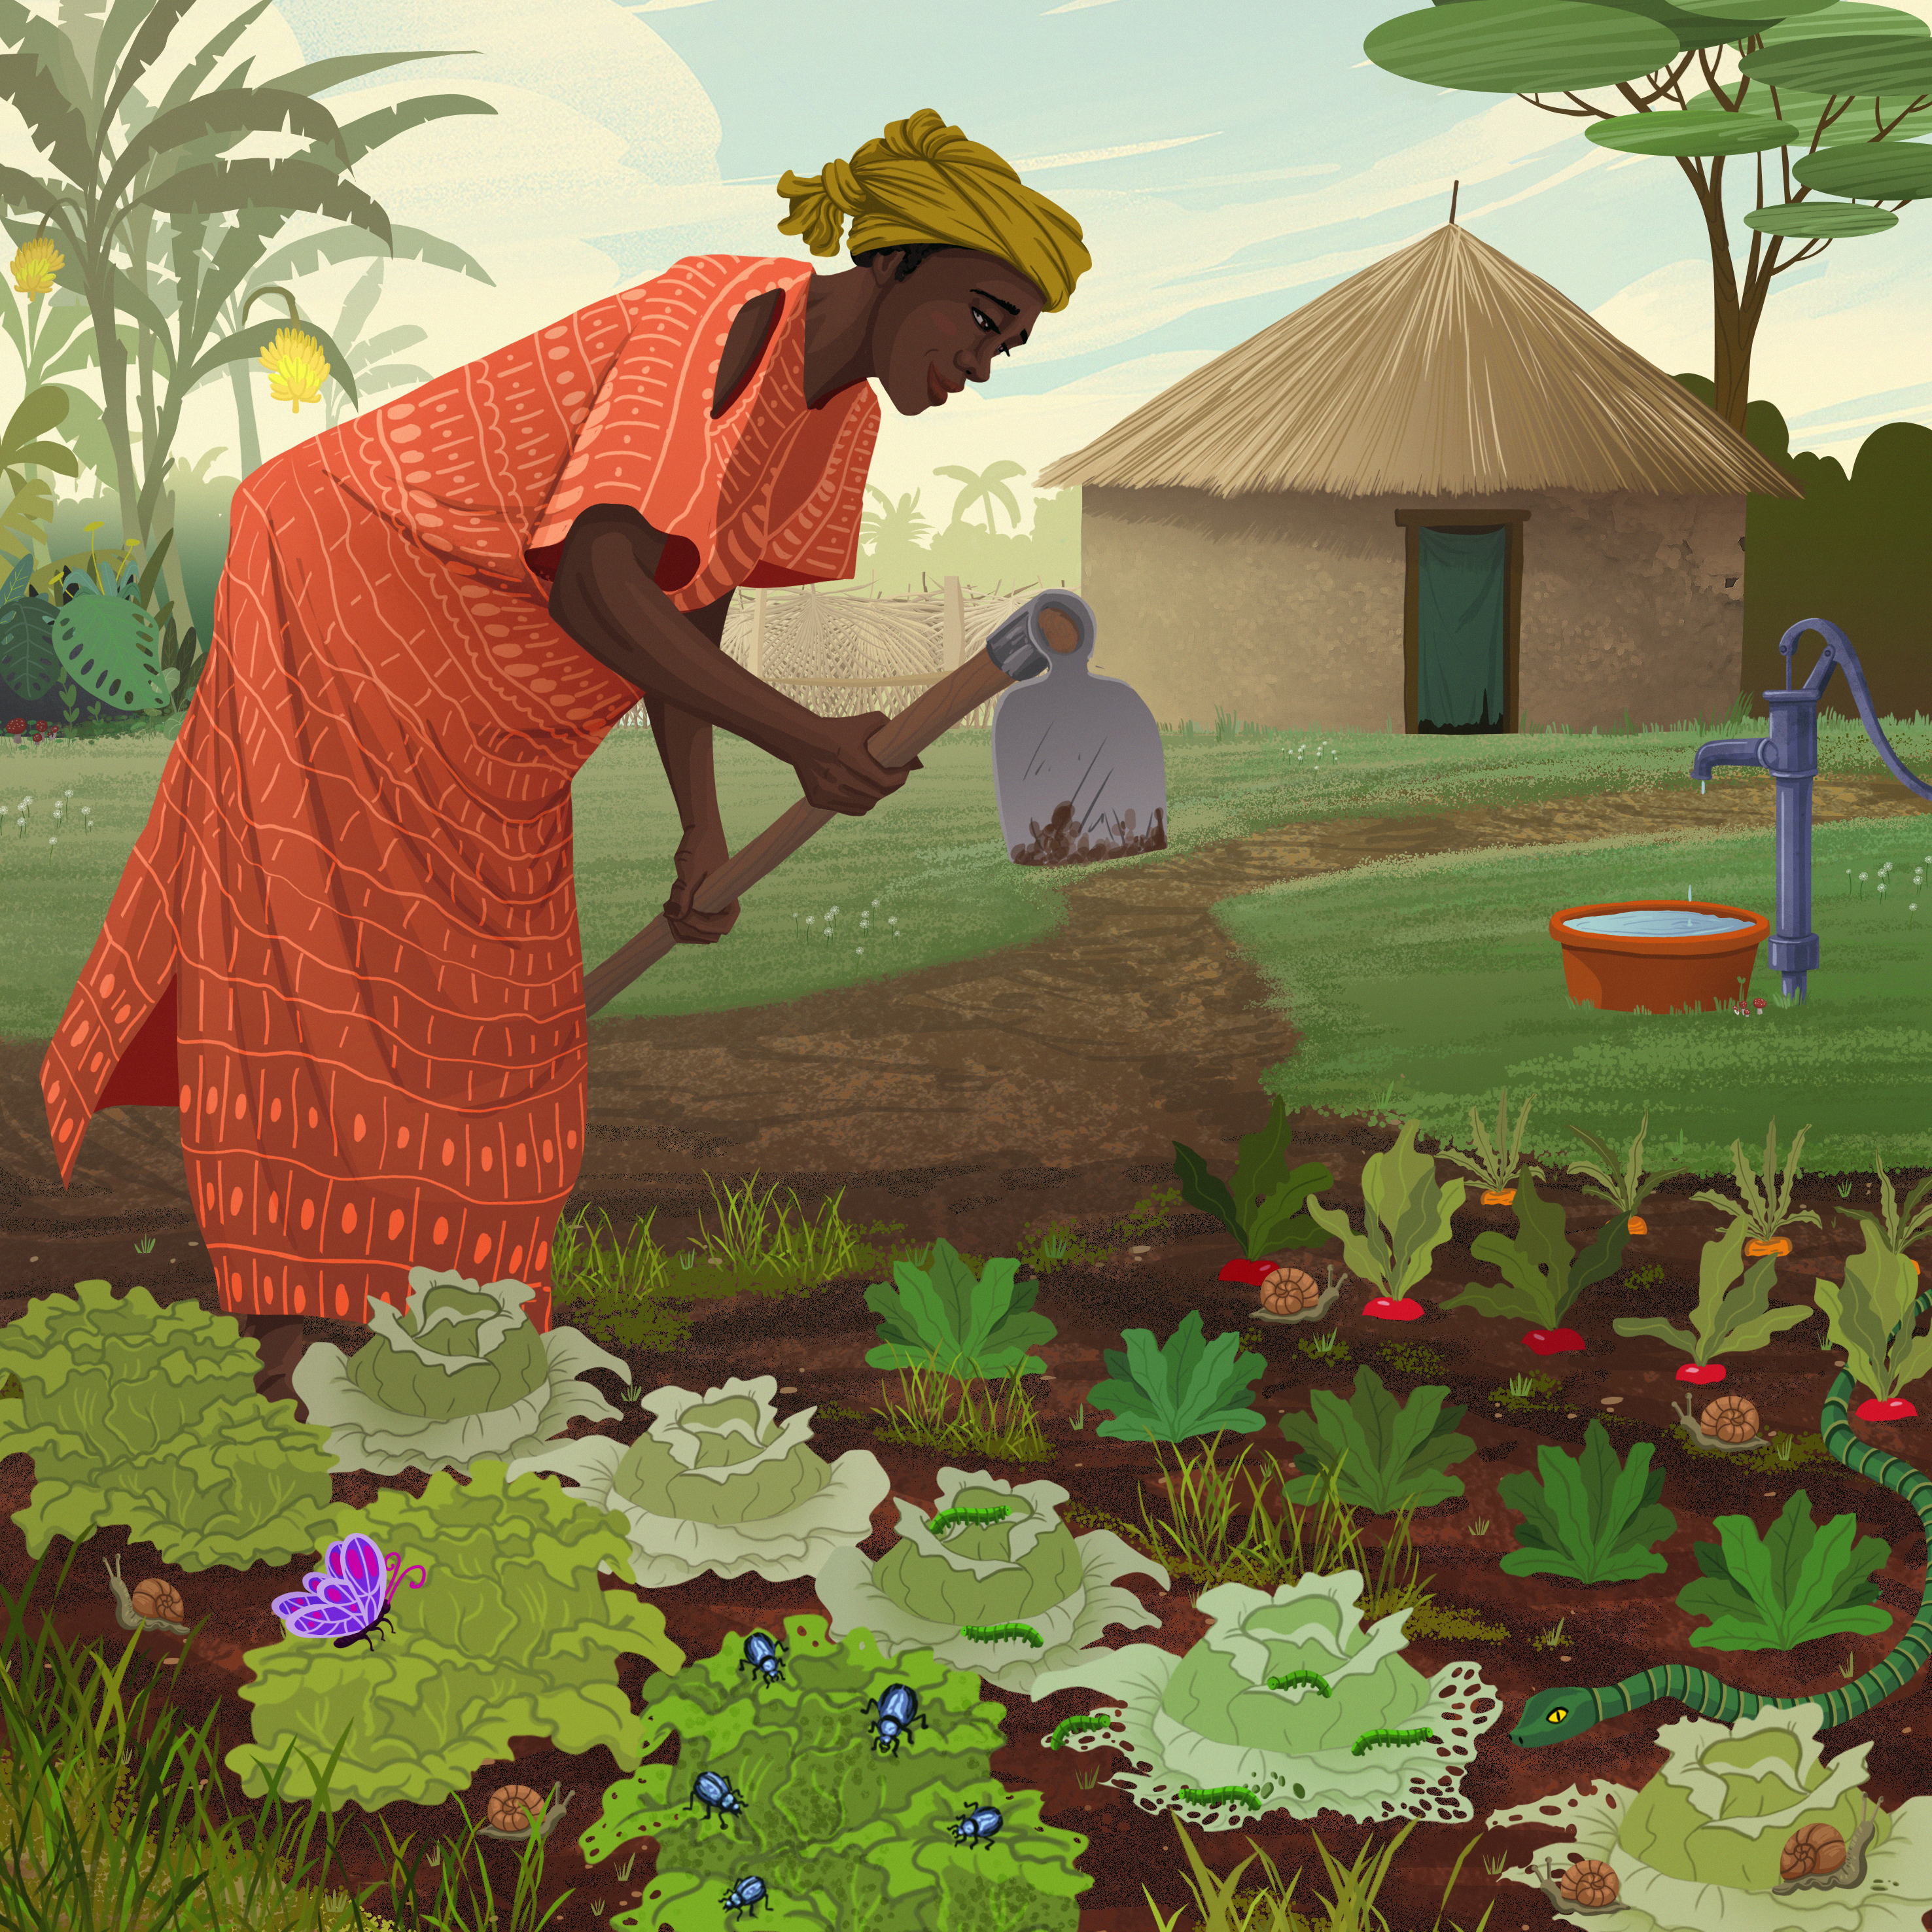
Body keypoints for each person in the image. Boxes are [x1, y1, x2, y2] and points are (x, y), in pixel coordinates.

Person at [39, 108, 1090, 1406]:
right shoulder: (712, 320)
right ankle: (299, 1342)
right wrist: (805, 738)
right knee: (339, 976)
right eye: (981, 317)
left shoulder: (832, 420)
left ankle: (443, 1327)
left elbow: (686, 589)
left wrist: (702, 831)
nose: (983, 360)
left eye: (1012, 343)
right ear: (894, 264)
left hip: (495, 693)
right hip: (355, 585)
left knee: (503, 1019)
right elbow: (600, 583)